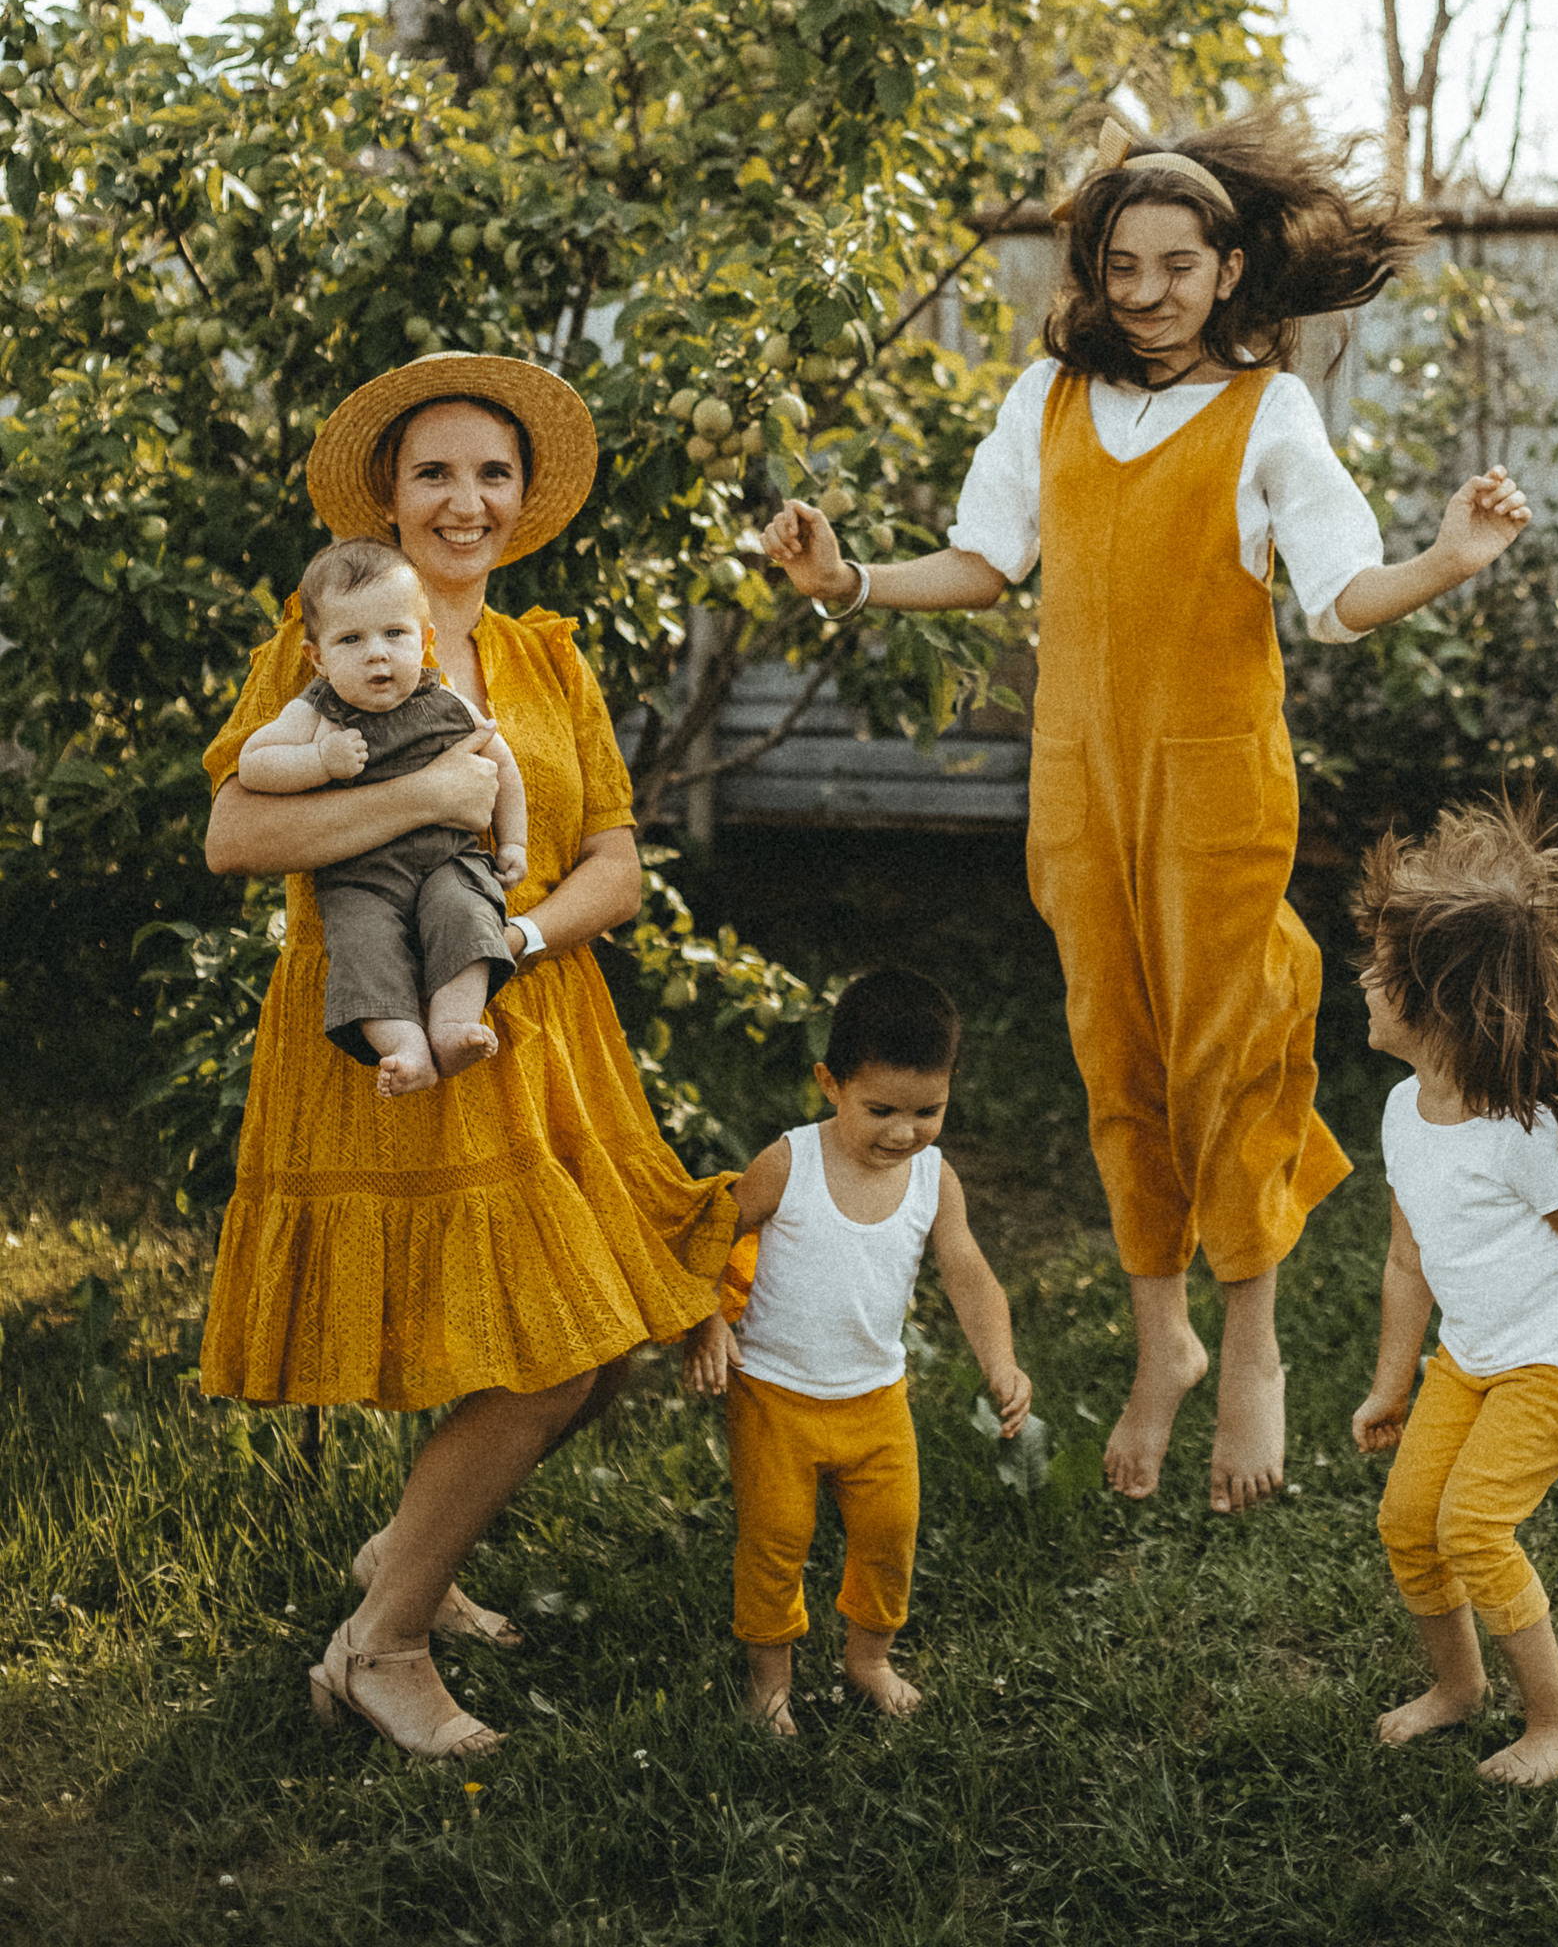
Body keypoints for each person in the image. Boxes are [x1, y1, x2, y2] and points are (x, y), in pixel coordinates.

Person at [764, 103, 1529, 1514]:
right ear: (1095, 273)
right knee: (1118, 1055)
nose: (1150, 294)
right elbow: (986, 563)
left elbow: (1343, 603)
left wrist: (1449, 557)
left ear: (1231, 269)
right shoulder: (1044, 402)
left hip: (1216, 786)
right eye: (1126, 267)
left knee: (1224, 1055)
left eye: (1180, 266)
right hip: (1081, 791)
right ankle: (1157, 1339)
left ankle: (1251, 1348)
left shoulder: (1267, 413)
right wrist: (851, 580)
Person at [201, 353, 747, 1761]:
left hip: (529, 1015)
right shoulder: (330, 638)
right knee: (556, 1355)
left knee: (609, 1323)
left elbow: (616, 861)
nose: (465, 500)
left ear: (523, 497)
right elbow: (236, 837)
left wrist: (517, 935)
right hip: (381, 1032)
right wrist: (427, 792)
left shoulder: (550, 660)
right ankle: (379, 1646)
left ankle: (409, 1552)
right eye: (435, 473)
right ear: (391, 494)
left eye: (491, 474)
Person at [1348, 796, 1558, 1788]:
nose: (1361, 982)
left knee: (1470, 1528)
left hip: (1547, 1369)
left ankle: (1557, 1721)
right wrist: (1393, 1383)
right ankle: (1458, 1690)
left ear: (1432, 1001)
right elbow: (1405, 1260)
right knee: (1404, 1521)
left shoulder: (1529, 1134)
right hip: (1463, 1363)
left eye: (1380, 973)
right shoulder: (1401, 1111)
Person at [681, 966, 1030, 1735]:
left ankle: (868, 1657)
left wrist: (1000, 1361)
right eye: (881, 1109)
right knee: (774, 1542)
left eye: (927, 1110)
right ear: (829, 1083)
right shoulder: (790, 1163)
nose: (904, 1132)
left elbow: (969, 1274)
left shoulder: (934, 1179)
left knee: (888, 1536)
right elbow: (713, 1235)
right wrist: (707, 1321)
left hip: (877, 1399)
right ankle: (770, 1682)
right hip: (774, 1394)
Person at [237, 537, 530, 1094]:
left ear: (425, 641)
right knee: (363, 947)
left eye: (394, 634)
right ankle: (405, 1047)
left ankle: (451, 1024)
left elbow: (503, 765)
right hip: (360, 877)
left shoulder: (444, 699)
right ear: (317, 656)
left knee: (467, 915)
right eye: (351, 639)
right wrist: (317, 759)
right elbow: (254, 764)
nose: (377, 653)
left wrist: (513, 842)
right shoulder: (318, 709)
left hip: (449, 861)